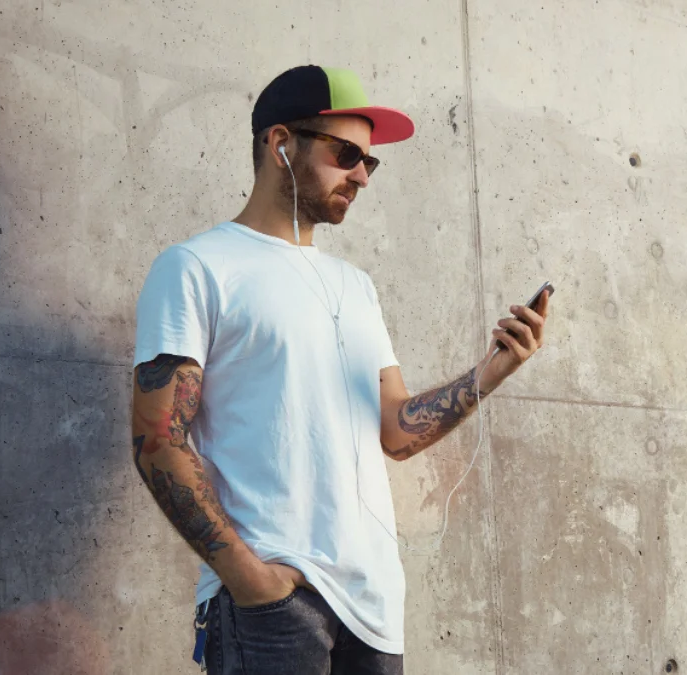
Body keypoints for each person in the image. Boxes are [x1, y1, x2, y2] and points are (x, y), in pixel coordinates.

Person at [130, 64, 550, 675]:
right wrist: (252, 581)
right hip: (274, 607)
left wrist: (493, 370)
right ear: (280, 144)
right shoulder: (197, 267)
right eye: (346, 153)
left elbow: (397, 430)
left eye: (369, 162)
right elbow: (158, 440)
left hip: (374, 607)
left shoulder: (356, 287)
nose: (362, 175)